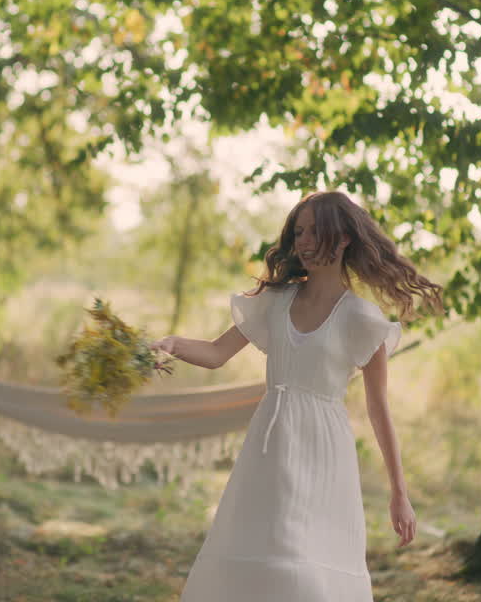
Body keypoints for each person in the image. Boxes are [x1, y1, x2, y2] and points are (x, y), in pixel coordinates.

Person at [152, 190, 444, 602]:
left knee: (306, 567)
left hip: (324, 450)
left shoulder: (362, 319)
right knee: (266, 556)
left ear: (344, 238)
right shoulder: (275, 301)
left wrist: (400, 493)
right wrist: (171, 344)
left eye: (314, 232)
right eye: (299, 232)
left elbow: (379, 409)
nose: (303, 242)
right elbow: (216, 353)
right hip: (270, 445)